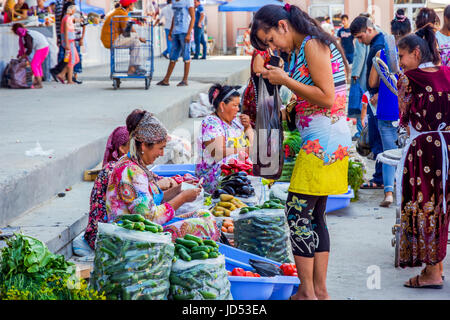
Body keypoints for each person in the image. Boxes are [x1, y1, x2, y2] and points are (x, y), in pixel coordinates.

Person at [250, 3, 351, 300]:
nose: (272, 46)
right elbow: (313, 95)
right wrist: (288, 108)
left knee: (296, 212)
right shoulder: (302, 49)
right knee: (314, 215)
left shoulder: (312, 44)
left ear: (282, 25)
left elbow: (327, 96)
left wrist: (285, 81)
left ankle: (307, 291)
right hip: (323, 138)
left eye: (270, 39)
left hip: (324, 141)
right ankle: (319, 290)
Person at [106, 110, 219, 240]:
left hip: (143, 229)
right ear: (143, 145)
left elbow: (151, 201)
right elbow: (150, 218)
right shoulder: (132, 172)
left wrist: (178, 189)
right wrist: (182, 198)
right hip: (131, 237)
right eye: (160, 148)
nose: (162, 153)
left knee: (204, 215)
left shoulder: (135, 164)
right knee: (203, 225)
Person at [396, 26, 450, 289]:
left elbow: (404, 121)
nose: (400, 62)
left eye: (402, 56)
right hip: (449, 146)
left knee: (427, 206)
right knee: (444, 207)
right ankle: (436, 266)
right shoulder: (449, 73)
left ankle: (432, 272)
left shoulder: (409, 79)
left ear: (416, 52)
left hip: (425, 150)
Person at [366, 9, 411, 207]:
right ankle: (407, 193)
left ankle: (389, 194)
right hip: (408, 109)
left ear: (391, 32)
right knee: (408, 152)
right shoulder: (416, 54)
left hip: (386, 107)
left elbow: (372, 82)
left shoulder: (381, 52)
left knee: (388, 153)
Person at [196, 84, 254, 194]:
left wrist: (248, 127)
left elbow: (252, 147)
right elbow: (218, 153)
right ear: (222, 105)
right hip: (211, 176)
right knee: (234, 162)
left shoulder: (236, 122)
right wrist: (243, 150)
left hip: (233, 175)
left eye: (238, 106)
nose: (238, 109)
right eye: (235, 105)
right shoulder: (211, 123)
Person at [350, 15, 385, 190]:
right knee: (378, 138)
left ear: (369, 29)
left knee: (378, 139)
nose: (359, 41)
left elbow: (388, 73)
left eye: (360, 37)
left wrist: (379, 92)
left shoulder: (379, 45)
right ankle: (381, 177)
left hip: (378, 100)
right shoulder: (375, 43)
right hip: (375, 99)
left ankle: (380, 179)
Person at [100, 0, 147, 76]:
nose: (134, 5)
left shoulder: (120, 12)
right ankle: (134, 68)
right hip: (111, 40)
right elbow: (126, 31)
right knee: (136, 39)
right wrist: (139, 37)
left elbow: (127, 29)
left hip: (112, 39)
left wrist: (137, 36)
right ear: (129, 5)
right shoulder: (122, 13)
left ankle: (132, 69)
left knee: (135, 42)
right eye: (133, 4)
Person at [156, 0, 195, 87]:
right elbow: (174, 17)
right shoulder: (174, 2)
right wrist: (170, 31)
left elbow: (193, 17)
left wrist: (189, 33)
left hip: (184, 32)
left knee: (186, 56)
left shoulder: (188, 1)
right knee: (173, 56)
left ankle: (185, 80)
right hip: (176, 32)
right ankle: (166, 80)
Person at [241, 48, 276, 127]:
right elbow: (257, 69)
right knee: (257, 124)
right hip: (258, 91)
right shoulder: (261, 50)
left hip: (264, 90)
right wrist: (274, 73)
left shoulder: (268, 50)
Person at [11, 23, 49, 89]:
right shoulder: (26, 33)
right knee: (38, 65)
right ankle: (38, 82)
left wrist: (23, 56)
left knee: (34, 65)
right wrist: (21, 54)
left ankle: (39, 84)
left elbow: (29, 49)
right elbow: (26, 46)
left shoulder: (27, 35)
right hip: (44, 47)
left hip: (42, 48)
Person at [55, 4, 79, 84]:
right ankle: (69, 80)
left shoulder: (68, 18)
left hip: (71, 42)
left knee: (75, 59)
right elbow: (65, 31)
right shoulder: (66, 18)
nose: (74, 11)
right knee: (71, 60)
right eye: (74, 10)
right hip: (69, 42)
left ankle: (62, 74)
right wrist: (67, 44)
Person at [72, 11, 87, 84]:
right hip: (70, 39)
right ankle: (69, 76)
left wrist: (82, 38)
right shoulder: (67, 13)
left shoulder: (79, 13)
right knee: (70, 57)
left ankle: (75, 76)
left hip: (77, 38)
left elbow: (84, 25)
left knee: (77, 56)